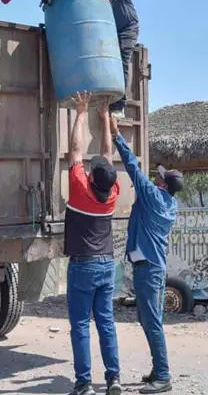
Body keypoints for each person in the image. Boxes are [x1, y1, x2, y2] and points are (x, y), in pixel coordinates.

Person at [110, 116, 183, 394]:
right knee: (147, 319)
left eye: (160, 177)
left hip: (148, 269)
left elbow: (133, 168)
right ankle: (157, 368)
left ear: (163, 185)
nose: (156, 176)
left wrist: (117, 136)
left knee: (151, 321)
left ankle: (163, 375)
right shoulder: (169, 203)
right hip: (153, 268)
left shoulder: (153, 196)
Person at [64, 92, 122, 395]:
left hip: (84, 266)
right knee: (106, 324)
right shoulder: (111, 192)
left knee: (80, 326)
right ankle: (114, 379)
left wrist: (82, 112)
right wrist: (105, 122)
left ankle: (84, 383)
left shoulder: (79, 189)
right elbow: (107, 159)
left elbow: (74, 150)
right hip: (106, 264)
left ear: (90, 176)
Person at [74, 0, 138, 119]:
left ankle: (119, 105)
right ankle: (102, 98)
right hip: (107, 30)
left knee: (121, 60)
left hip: (126, 28)